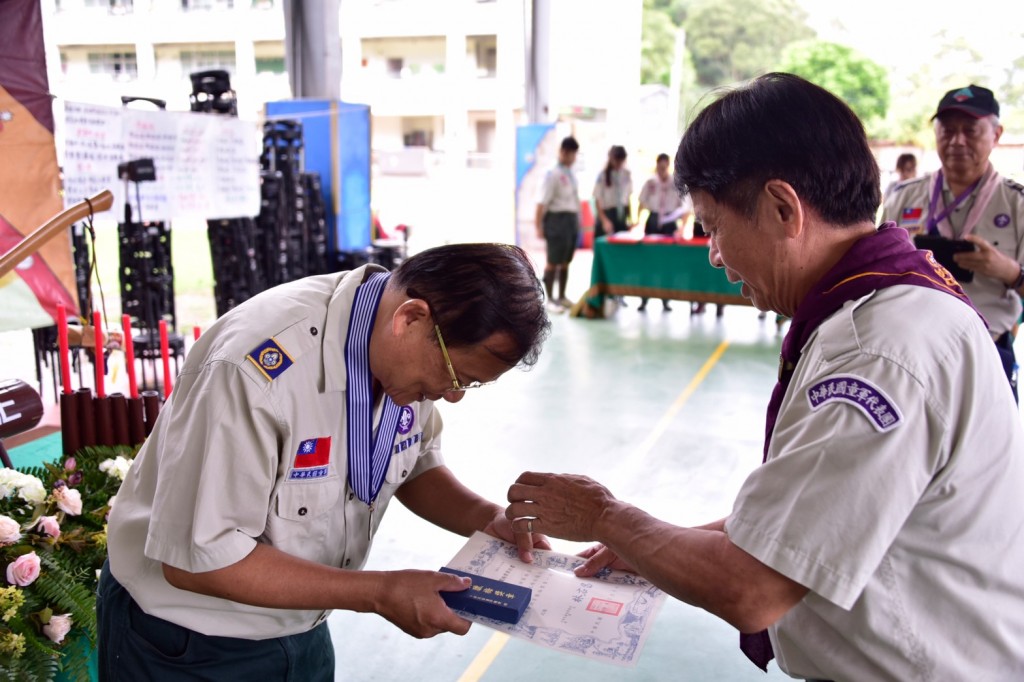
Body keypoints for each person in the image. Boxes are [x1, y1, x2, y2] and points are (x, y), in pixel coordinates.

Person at [506, 73, 1024, 680]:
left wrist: (605, 516)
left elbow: (752, 587)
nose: (714, 255)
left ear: (783, 209)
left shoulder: (878, 351)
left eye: (714, 227)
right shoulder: (884, 306)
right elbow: (807, 514)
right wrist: (648, 548)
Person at [100, 244, 552, 680]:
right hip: (186, 644)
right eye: (457, 378)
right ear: (411, 318)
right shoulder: (255, 371)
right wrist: (380, 592)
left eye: (470, 385)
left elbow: (413, 463)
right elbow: (201, 559)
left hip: (302, 625)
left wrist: (487, 518)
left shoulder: (401, 351)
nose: (451, 397)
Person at [882, 84, 1024, 400]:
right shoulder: (904, 197)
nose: (957, 140)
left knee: (989, 448)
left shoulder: (1017, 204)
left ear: (997, 134)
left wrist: (1010, 272)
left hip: (988, 352)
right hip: (910, 349)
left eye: (970, 130)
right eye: (947, 130)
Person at [636, 152, 692, 312]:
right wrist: (638, 222)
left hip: (669, 223)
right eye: (659, 167)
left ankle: (666, 299)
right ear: (657, 165)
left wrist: (682, 227)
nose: (662, 170)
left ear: (668, 166)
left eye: (665, 167)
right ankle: (644, 298)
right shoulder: (650, 182)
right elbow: (641, 201)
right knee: (647, 261)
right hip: (653, 221)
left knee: (667, 262)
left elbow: (685, 208)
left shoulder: (676, 183)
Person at [536, 136, 581, 313]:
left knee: (565, 261)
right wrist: (538, 225)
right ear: (564, 152)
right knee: (553, 261)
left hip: (570, 220)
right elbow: (541, 202)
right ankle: (550, 299)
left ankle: (562, 296)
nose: (574, 158)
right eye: (572, 154)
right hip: (556, 220)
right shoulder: (552, 174)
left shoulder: (570, 173)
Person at [593, 145, 633, 239]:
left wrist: (629, 218)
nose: (619, 164)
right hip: (607, 214)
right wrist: (604, 221)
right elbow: (597, 200)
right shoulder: (602, 176)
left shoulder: (626, 174)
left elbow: (627, 198)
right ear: (611, 158)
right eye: (616, 160)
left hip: (621, 214)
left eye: (621, 161)